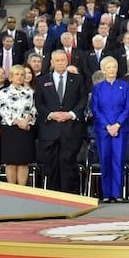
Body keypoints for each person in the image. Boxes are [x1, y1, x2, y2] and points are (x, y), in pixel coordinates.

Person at [35, 50, 87, 193]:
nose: (60, 63)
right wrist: (51, 114)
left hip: (71, 129)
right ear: (51, 62)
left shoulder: (78, 79)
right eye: (57, 60)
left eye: (63, 60)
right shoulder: (42, 81)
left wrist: (71, 114)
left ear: (67, 61)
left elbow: (83, 100)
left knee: (69, 163)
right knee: (51, 165)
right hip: (50, 130)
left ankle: (71, 196)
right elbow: (39, 103)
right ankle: (54, 196)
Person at [92, 56, 129, 203]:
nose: (112, 70)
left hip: (121, 129)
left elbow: (128, 107)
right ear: (103, 70)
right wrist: (108, 126)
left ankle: (117, 193)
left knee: (118, 160)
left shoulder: (124, 86)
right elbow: (95, 109)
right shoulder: (98, 88)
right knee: (105, 160)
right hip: (103, 130)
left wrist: (117, 124)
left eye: (114, 66)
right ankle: (107, 194)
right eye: (108, 67)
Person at [0, 65, 37, 185]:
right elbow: (3, 110)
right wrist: (19, 122)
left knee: (23, 162)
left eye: (22, 75)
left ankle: (22, 190)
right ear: (11, 77)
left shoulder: (29, 92)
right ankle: (12, 190)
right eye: (17, 74)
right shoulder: (4, 92)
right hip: (10, 130)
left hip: (25, 130)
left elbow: (33, 109)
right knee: (11, 162)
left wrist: (26, 121)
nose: (19, 77)